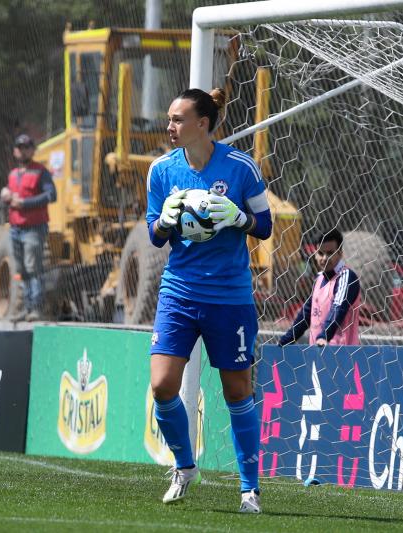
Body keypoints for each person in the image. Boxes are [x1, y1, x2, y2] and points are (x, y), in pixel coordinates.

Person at [146, 88, 273, 513]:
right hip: (179, 291)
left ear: (203, 123)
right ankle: (184, 466)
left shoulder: (241, 167)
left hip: (229, 297)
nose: (170, 126)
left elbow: (266, 226)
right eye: (169, 118)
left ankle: (249, 489)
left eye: (178, 119)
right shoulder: (161, 170)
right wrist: (164, 222)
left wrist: (239, 218)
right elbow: (154, 234)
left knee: (237, 390)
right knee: (163, 385)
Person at [0, 134, 56, 321]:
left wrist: (25, 203)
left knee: (33, 267)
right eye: (19, 147)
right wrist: (5, 196)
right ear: (15, 151)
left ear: (32, 150)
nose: (23, 150)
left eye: (26, 147)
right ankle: (27, 307)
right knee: (21, 269)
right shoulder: (13, 174)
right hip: (15, 228)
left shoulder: (40, 171)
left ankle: (36, 308)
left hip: (34, 228)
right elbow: (9, 200)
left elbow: (51, 195)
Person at [278, 228, 361, 346]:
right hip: (317, 353)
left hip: (341, 354)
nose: (324, 258)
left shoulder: (346, 277)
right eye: (321, 253)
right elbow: (306, 313)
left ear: (340, 253)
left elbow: (339, 308)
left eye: (330, 253)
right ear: (315, 254)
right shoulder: (319, 278)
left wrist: (324, 336)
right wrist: (287, 339)